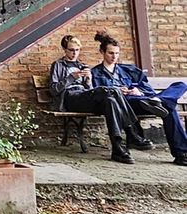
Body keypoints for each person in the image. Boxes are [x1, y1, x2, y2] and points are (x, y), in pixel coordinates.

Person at [48, 34, 152, 163]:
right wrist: (71, 78)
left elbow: (89, 89)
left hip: (84, 96)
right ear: (65, 50)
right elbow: (53, 90)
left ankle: (118, 150)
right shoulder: (58, 65)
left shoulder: (83, 66)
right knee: (112, 90)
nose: (74, 53)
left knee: (111, 101)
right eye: (71, 50)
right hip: (70, 98)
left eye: (77, 50)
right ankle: (132, 133)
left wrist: (89, 80)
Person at [90, 31, 187, 167]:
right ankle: (182, 152)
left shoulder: (129, 70)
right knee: (169, 108)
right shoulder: (94, 73)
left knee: (180, 86)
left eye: (117, 53)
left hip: (144, 100)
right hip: (126, 104)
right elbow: (97, 95)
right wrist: (119, 91)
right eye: (111, 53)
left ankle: (159, 102)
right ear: (102, 52)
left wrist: (139, 90)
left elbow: (148, 89)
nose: (114, 57)